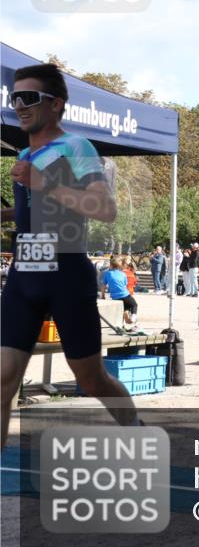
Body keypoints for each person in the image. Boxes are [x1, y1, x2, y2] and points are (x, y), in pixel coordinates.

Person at [1, 63, 140, 445]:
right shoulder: (29, 153)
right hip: (26, 266)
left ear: (56, 104)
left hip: (66, 268)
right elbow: (36, 207)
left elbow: (104, 208)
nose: (19, 105)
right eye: (15, 98)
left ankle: (135, 432)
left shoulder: (77, 147)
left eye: (29, 97)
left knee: (90, 377)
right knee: (3, 377)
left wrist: (43, 182)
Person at [102, 258, 139, 330]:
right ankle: (133, 316)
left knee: (124, 309)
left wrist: (103, 295)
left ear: (111, 265)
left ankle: (123, 325)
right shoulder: (123, 274)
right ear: (119, 266)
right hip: (125, 295)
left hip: (115, 297)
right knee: (134, 305)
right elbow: (125, 285)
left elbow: (103, 286)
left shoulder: (107, 274)